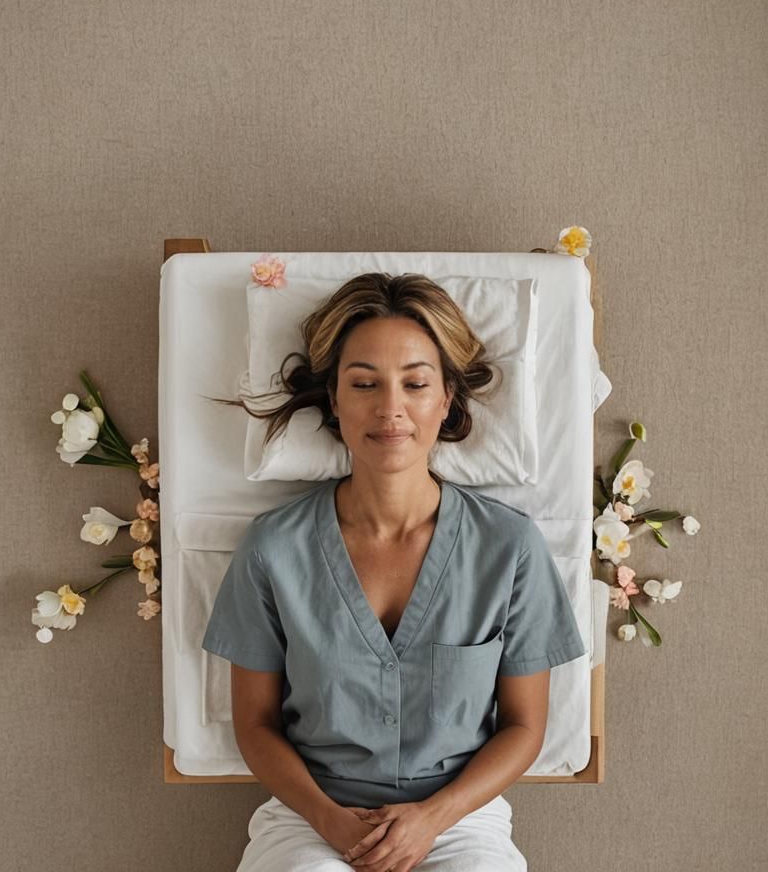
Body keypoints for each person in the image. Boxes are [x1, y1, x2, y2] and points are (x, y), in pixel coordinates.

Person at [203, 273, 586, 871]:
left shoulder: (509, 548)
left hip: (460, 818)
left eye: (415, 383)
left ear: (447, 399)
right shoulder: (273, 549)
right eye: (364, 384)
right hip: (310, 814)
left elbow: (524, 727)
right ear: (334, 399)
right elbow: (255, 724)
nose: (390, 409)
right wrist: (326, 817)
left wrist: (432, 817)